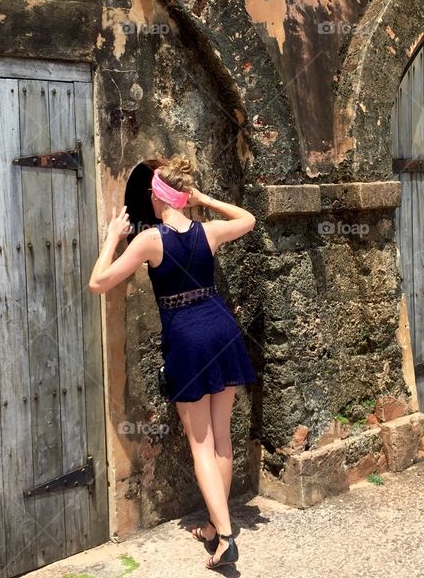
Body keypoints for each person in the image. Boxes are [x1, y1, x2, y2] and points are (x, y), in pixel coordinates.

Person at [88, 155, 257, 570]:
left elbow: (98, 283)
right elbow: (248, 218)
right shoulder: (209, 231)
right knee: (222, 439)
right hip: (223, 330)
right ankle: (217, 528)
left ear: (156, 197)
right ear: (183, 196)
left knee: (200, 445)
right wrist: (205, 200)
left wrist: (112, 237)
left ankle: (227, 539)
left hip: (188, 340)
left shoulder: (151, 240)